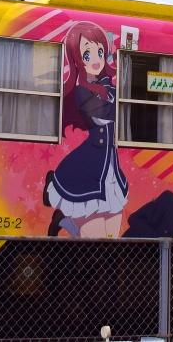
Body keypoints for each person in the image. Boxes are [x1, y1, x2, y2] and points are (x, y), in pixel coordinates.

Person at [45, 20, 128, 237]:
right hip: (90, 165)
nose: (96, 60)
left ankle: (64, 220)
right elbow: (108, 113)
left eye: (99, 52)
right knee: (94, 236)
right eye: (87, 55)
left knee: (112, 235)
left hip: (110, 166)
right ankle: (64, 220)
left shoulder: (109, 87)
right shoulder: (82, 92)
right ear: (76, 59)